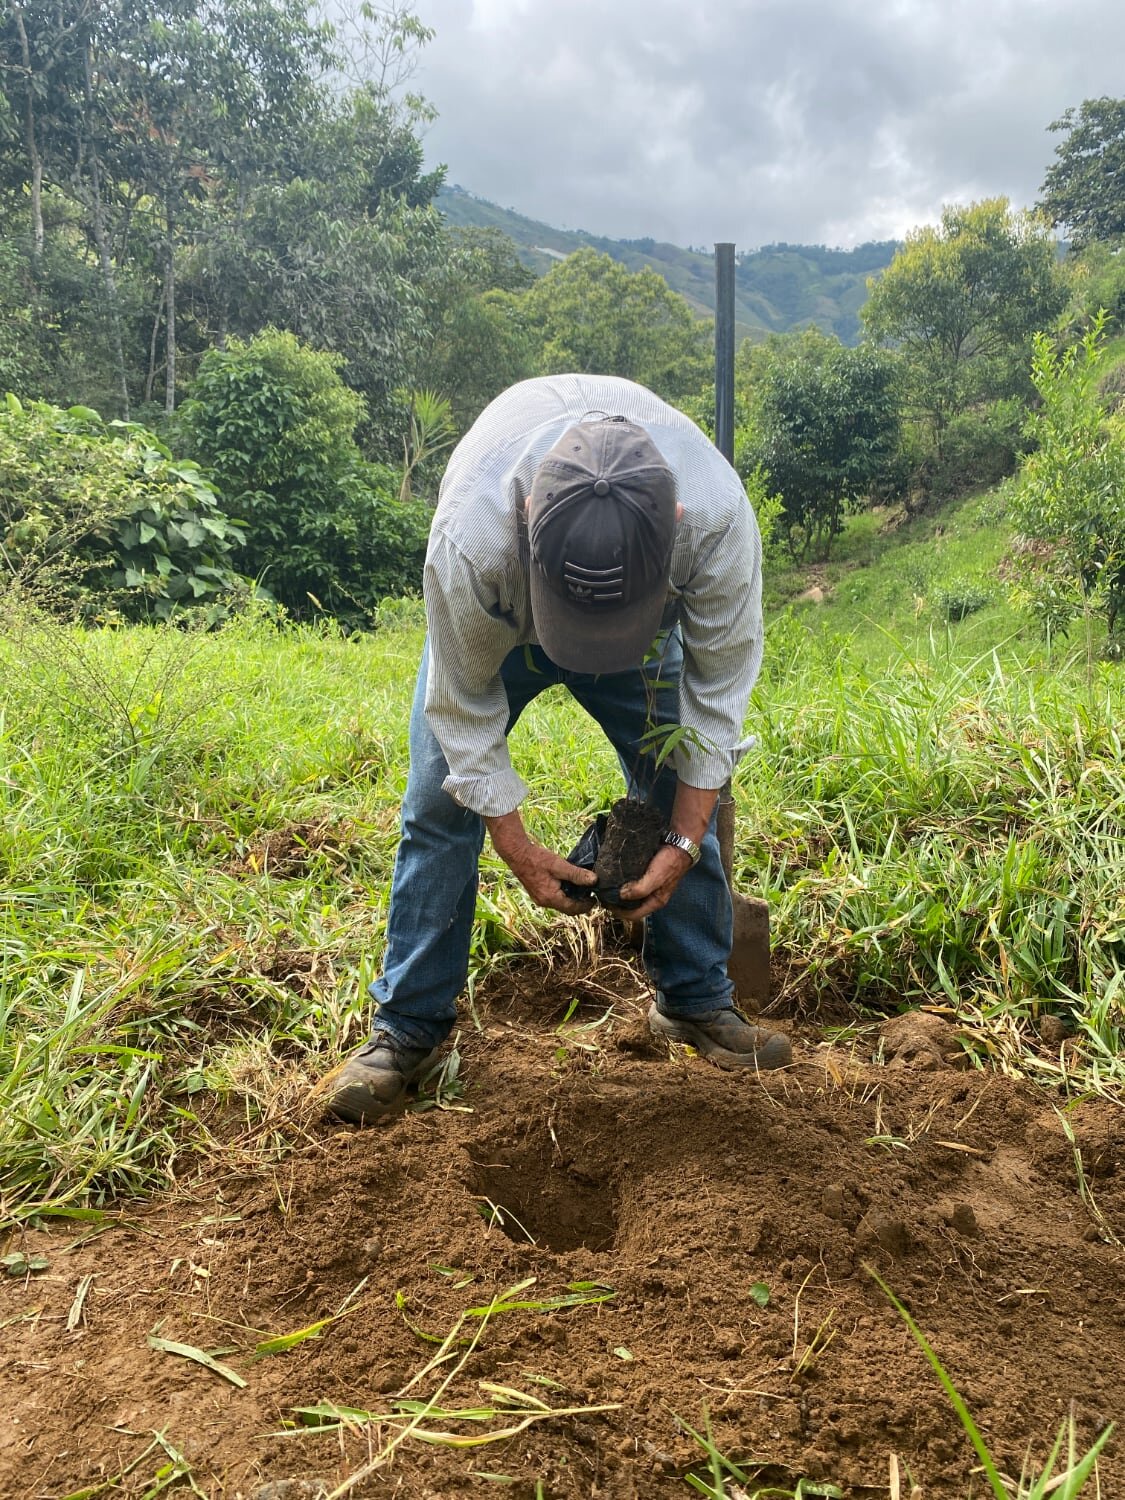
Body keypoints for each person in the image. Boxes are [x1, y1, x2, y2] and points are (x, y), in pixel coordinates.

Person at [321, 373, 792, 1125]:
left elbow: (715, 696)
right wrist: (512, 841)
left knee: (681, 783)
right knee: (438, 802)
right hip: (503, 624)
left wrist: (683, 833)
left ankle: (695, 1000)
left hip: (643, 631)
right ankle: (408, 1031)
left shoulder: (715, 521)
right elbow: (462, 706)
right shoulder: (471, 538)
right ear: (526, 516)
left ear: (672, 523)